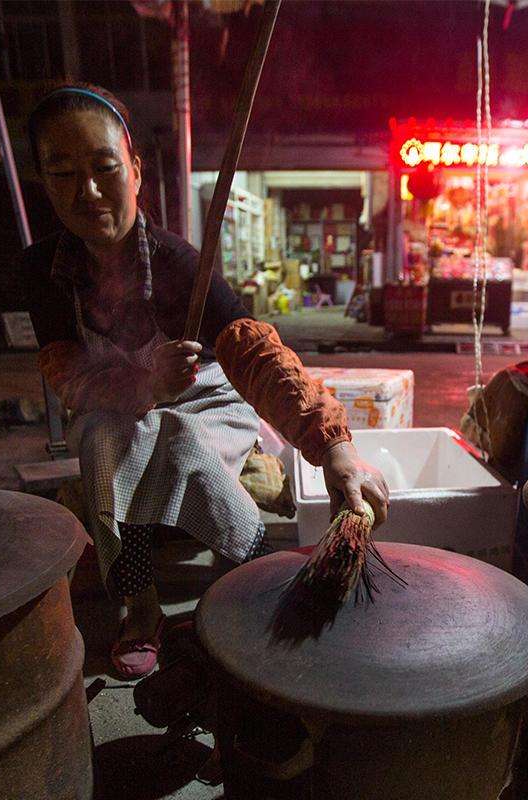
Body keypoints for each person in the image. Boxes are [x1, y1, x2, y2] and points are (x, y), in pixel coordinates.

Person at [22, 83, 389, 679]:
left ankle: (253, 569)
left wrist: (335, 449)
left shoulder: (178, 265)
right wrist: (143, 384)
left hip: (204, 397)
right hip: (114, 404)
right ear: (43, 182)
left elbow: (257, 357)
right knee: (106, 441)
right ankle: (141, 608)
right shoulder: (42, 271)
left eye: (103, 168)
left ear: (135, 171)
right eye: (62, 174)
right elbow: (68, 374)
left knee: (179, 439)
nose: (86, 192)